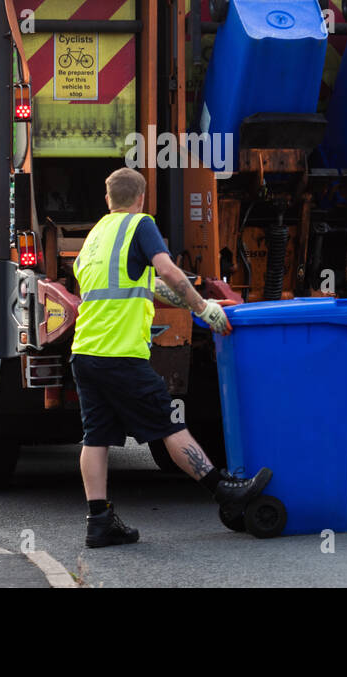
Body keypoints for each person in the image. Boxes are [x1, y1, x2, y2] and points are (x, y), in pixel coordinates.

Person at [71, 167, 272, 547]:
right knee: (168, 424)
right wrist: (202, 309)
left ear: (107, 199)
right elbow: (167, 270)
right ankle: (223, 490)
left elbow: (148, 284)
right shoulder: (140, 225)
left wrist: (202, 301)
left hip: (86, 353)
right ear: (141, 198)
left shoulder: (96, 236)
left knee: (95, 436)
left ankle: (99, 521)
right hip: (121, 354)